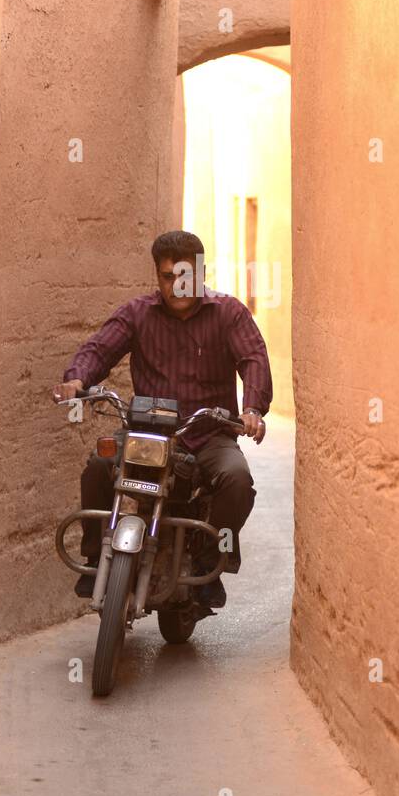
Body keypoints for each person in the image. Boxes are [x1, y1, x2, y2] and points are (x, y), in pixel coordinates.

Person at [53, 229, 273, 607]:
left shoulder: (228, 313)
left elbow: (253, 359)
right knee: (98, 464)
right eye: (167, 277)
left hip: (208, 435)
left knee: (236, 479)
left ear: (201, 273)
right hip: (147, 433)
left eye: (184, 275)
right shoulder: (137, 314)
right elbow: (100, 348)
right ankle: (95, 557)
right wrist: (77, 380)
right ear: (157, 277)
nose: (176, 285)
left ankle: (208, 562)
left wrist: (251, 410)